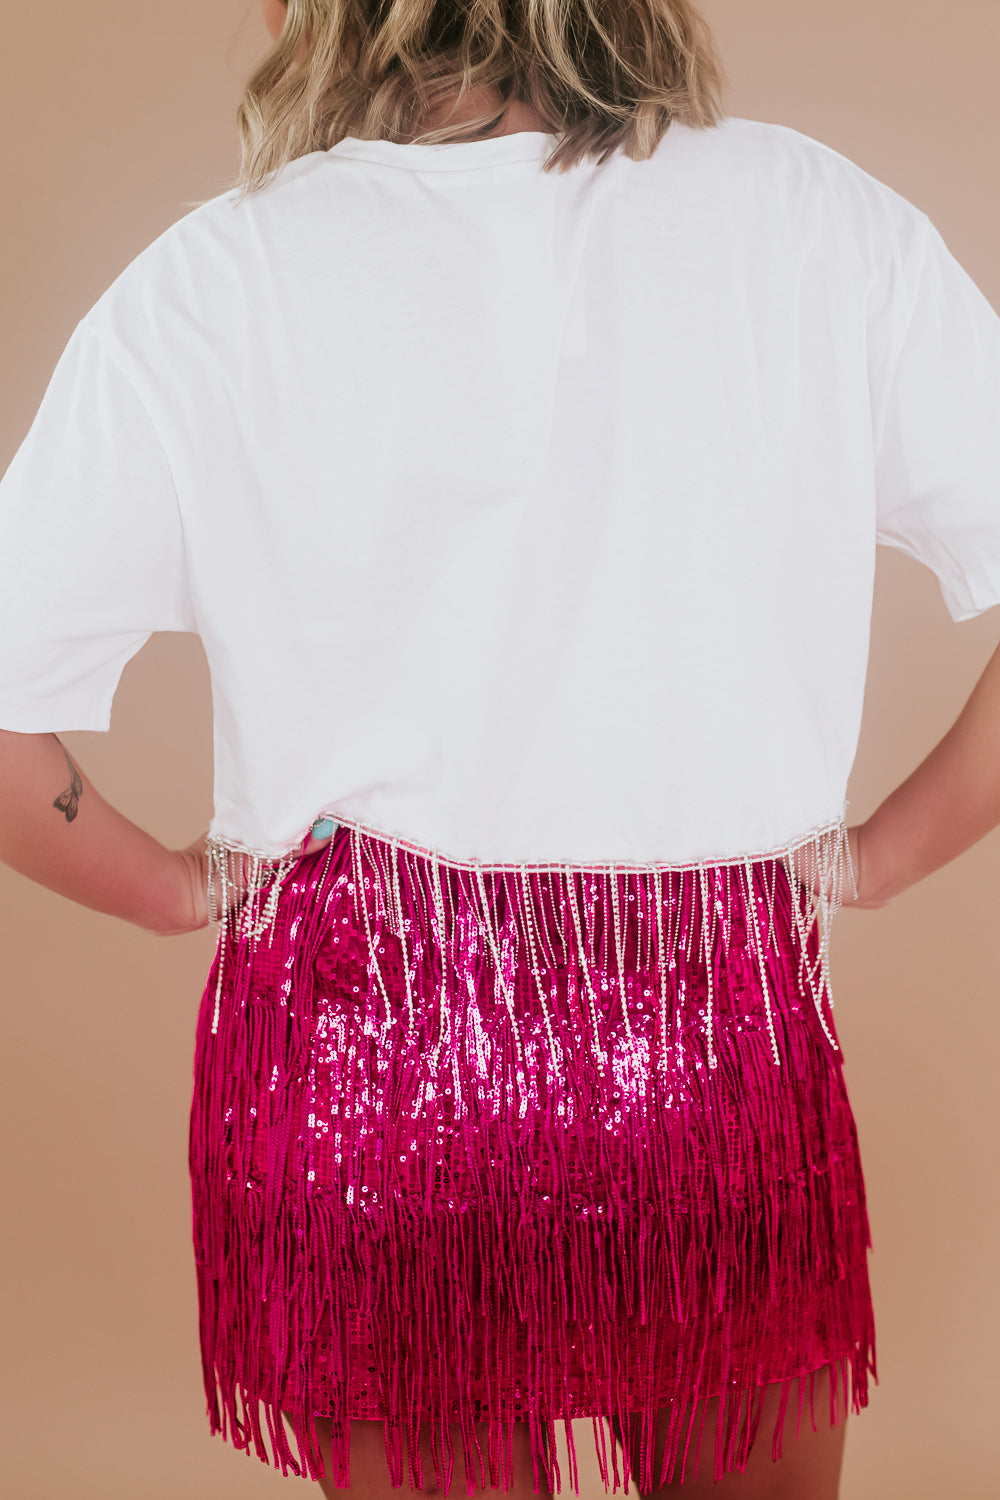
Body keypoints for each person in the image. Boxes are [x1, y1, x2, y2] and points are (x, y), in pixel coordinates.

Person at [1, 0, 999, 1496]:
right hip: (709, 1060)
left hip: (366, 1063)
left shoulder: (217, 276)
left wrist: (171, 889)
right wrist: (883, 856)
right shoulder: (812, 217)